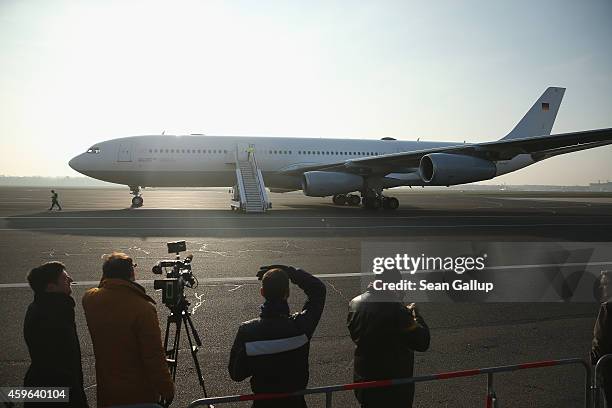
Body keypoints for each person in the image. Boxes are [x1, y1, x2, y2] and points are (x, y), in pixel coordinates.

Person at [82, 252, 174, 407]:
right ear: (131, 272)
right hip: (139, 393)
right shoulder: (143, 308)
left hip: (108, 392)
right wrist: (167, 388)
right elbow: (153, 355)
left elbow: (100, 287)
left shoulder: (90, 299)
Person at [229, 265, 326, 408]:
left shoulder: (248, 331)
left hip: (263, 404)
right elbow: (318, 290)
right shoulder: (301, 327)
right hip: (295, 403)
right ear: (287, 293)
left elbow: (236, 374)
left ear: (262, 292)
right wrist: (290, 272)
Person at [347, 269, 430, 408]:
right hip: (392, 388)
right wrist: (416, 316)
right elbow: (422, 342)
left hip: (364, 381)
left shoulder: (355, 303)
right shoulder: (395, 309)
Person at [24, 262, 88, 407]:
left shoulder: (42, 307)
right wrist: (75, 398)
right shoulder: (54, 315)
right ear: (51, 287)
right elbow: (61, 366)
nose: (71, 280)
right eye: (65, 279)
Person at [592, 270, 612, 405]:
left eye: (605, 284)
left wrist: (595, 357)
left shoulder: (607, 308)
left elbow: (600, 340)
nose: (601, 287)